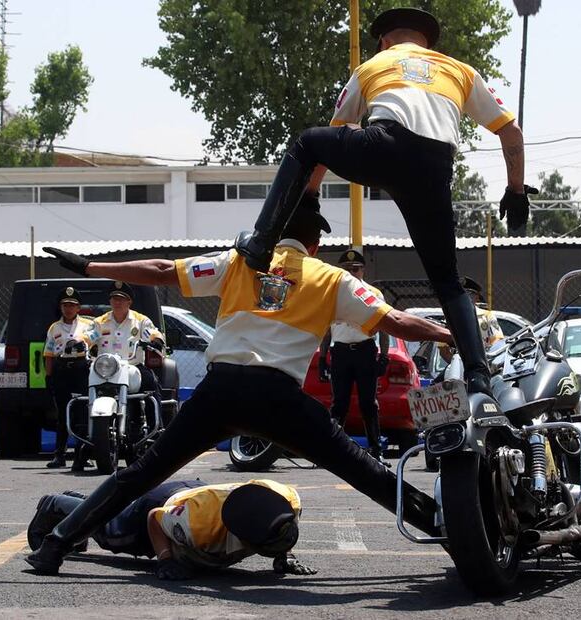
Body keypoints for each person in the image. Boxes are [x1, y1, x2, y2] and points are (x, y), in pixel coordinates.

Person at [27, 195, 454, 575]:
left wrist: (89, 266)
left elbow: (161, 271)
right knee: (366, 472)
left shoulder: (238, 261)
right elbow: (397, 322)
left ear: (272, 233)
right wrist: (449, 334)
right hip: (279, 400)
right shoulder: (332, 278)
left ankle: (55, 545)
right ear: (316, 244)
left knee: (139, 475)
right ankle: (451, 531)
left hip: (220, 392)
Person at [233, 7, 534, 397]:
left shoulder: (374, 64)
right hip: (435, 170)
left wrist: (306, 200)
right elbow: (511, 132)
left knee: (309, 141)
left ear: (385, 40)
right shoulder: (461, 70)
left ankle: (260, 244)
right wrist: (516, 189)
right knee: (448, 281)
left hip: (386, 146)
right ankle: (479, 376)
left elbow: (331, 139)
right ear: (427, 42)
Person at [27, 479, 316, 579]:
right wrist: (165, 559)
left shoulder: (286, 499)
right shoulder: (199, 527)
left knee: (111, 515)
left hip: (202, 493)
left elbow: (277, 522)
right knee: (110, 530)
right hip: (167, 503)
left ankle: (80, 503)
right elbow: (155, 518)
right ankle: (55, 504)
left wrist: (284, 555)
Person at [318, 248, 390, 464]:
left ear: (363, 270)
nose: (351, 272)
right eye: (347, 269)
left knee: (369, 403)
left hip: (364, 351)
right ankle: (329, 450)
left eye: (355, 269)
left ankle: (376, 450)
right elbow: (326, 330)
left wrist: (384, 357)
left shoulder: (373, 294)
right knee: (339, 403)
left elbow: (385, 328)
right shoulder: (332, 294)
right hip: (340, 352)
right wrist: (322, 358)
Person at [89, 281, 166, 435]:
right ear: (110, 301)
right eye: (114, 299)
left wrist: (156, 340)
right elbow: (87, 335)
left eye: (121, 299)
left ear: (129, 301)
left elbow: (152, 333)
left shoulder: (140, 320)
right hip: (105, 370)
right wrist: (78, 343)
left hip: (133, 367)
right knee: (80, 391)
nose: (117, 302)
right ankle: (83, 440)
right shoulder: (99, 322)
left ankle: (156, 431)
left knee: (151, 386)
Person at [43, 286, 95, 471]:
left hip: (81, 369)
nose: (68, 309)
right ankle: (59, 454)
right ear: (61, 307)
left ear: (78, 307)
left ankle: (83, 455)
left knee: (82, 412)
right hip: (61, 369)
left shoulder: (88, 326)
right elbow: (49, 353)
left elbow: (96, 347)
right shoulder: (54, 327)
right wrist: (49, 377)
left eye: (72, 305)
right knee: (63, 413)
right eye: (65, 305)